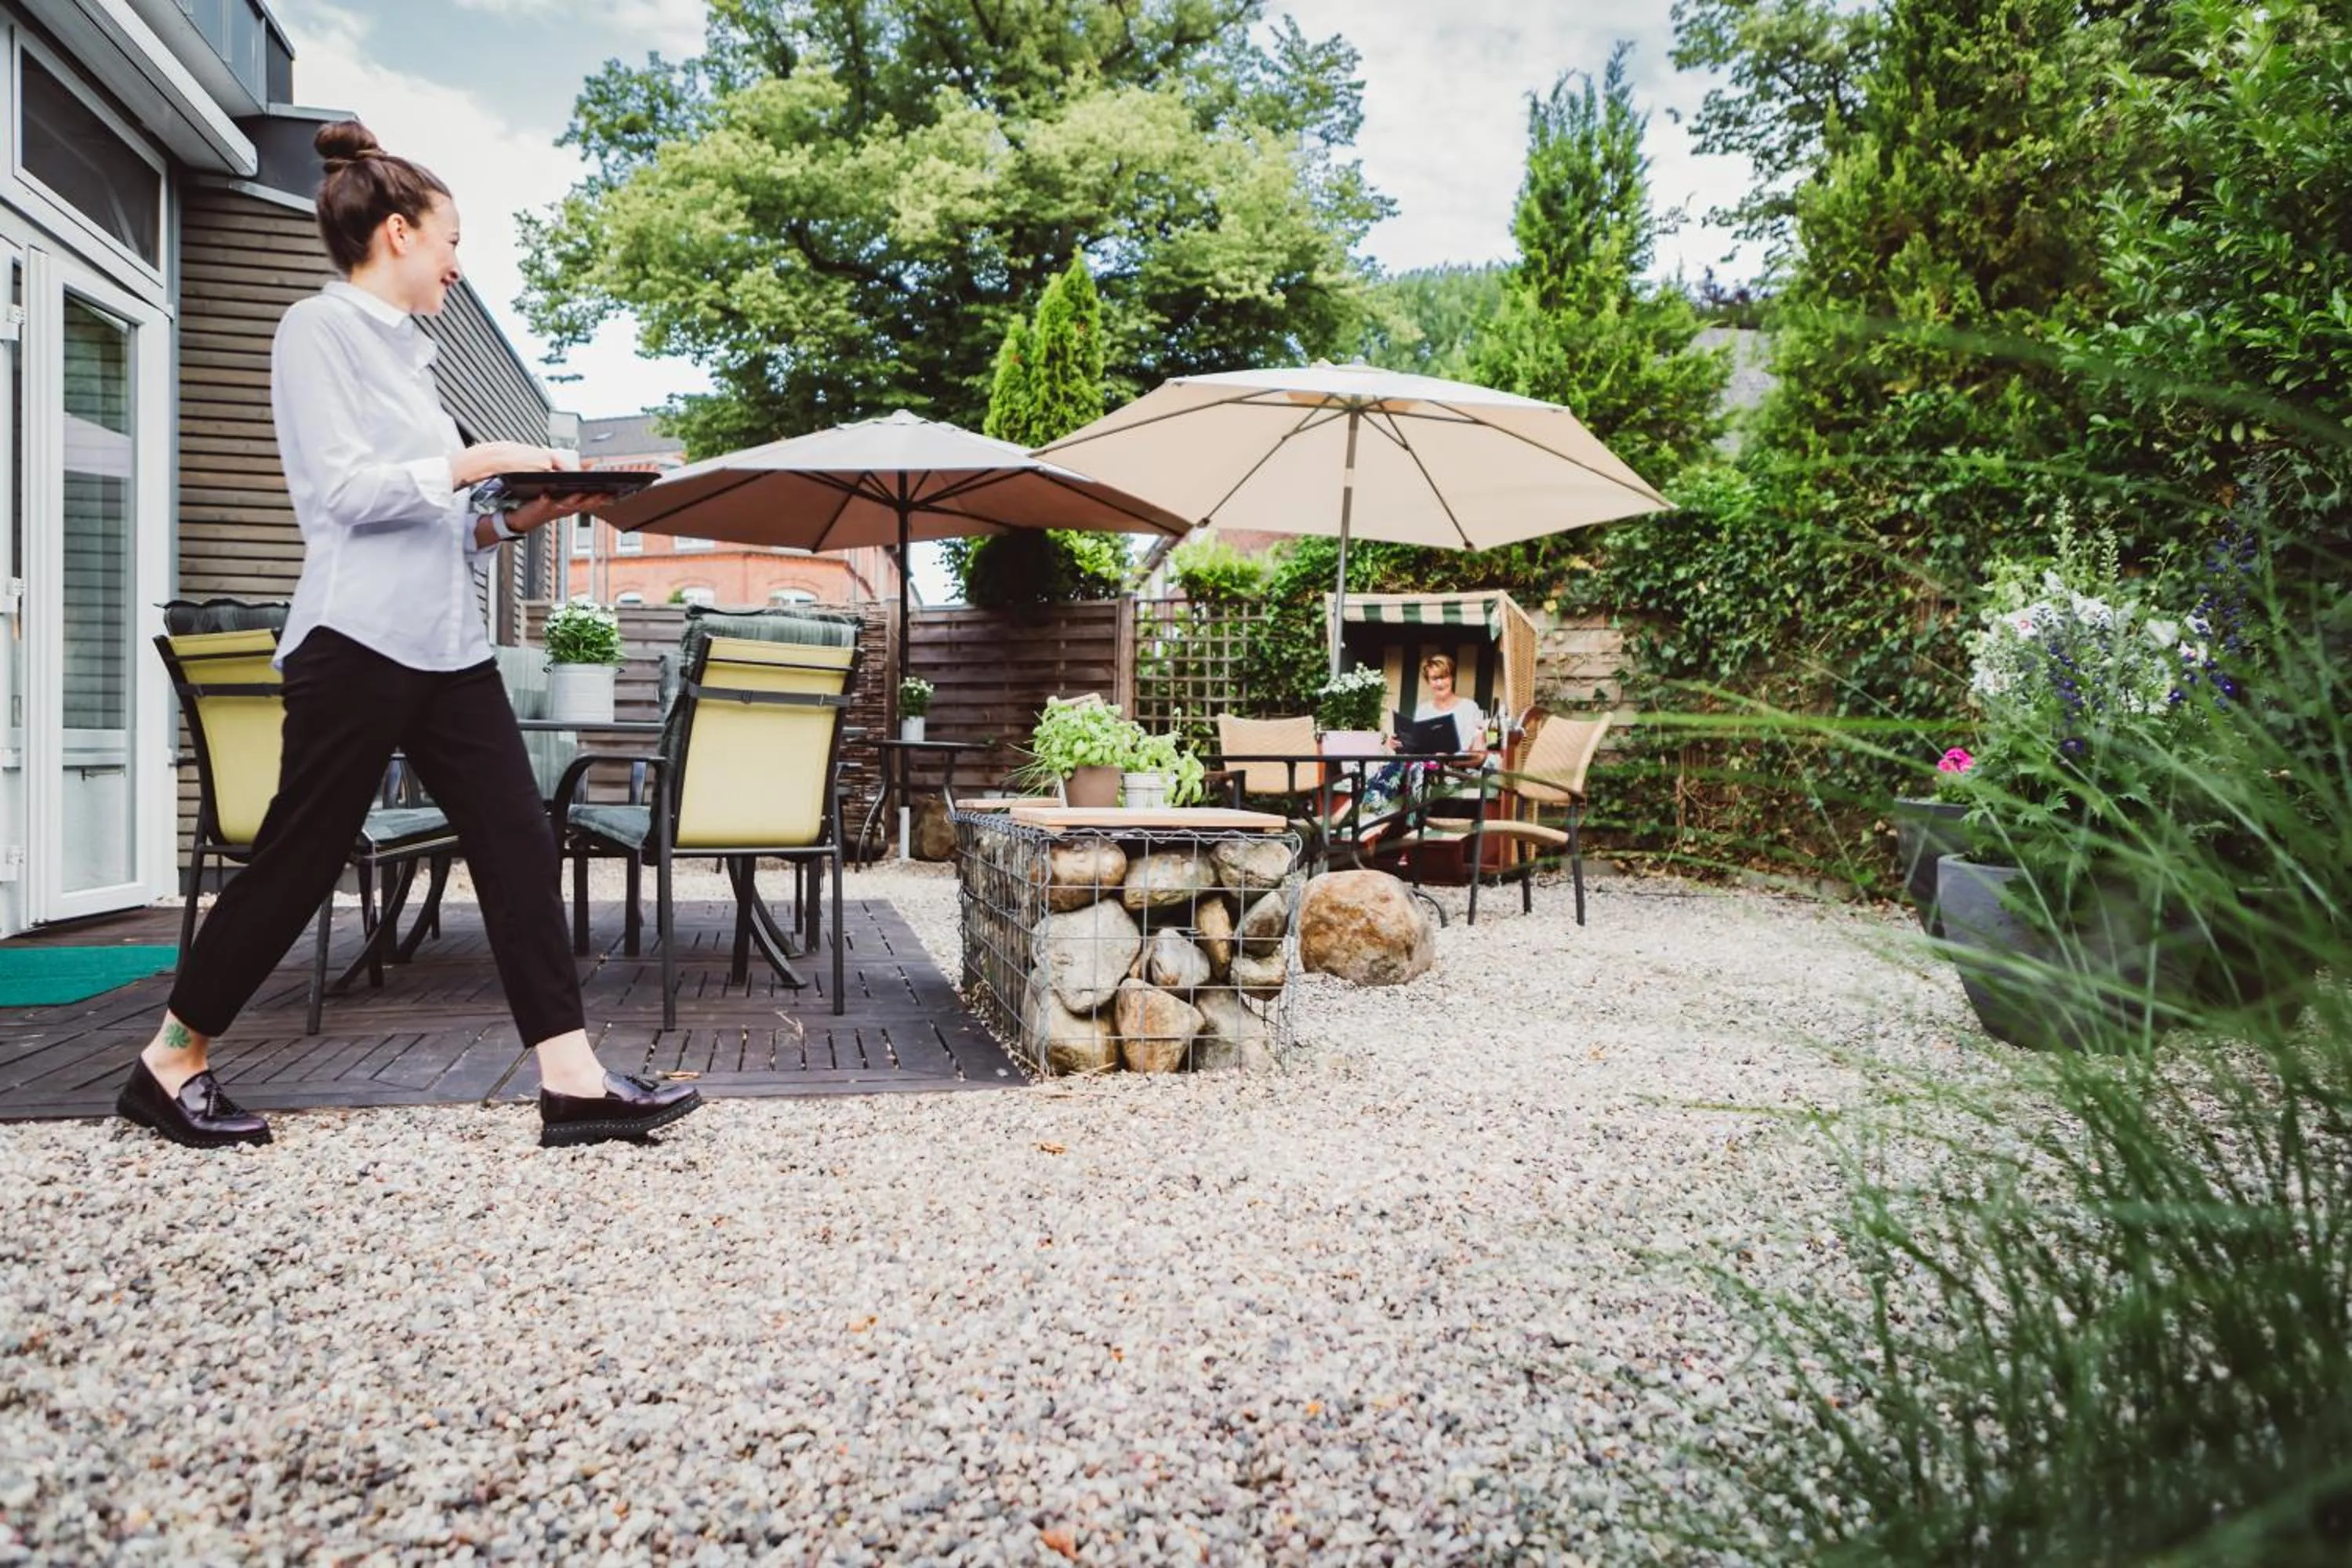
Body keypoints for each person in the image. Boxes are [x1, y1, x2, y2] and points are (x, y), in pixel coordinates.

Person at [115, 120, 701, 1151]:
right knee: (299, 860)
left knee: (520, 839)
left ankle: (569, 1079)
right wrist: (474, 465)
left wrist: (517, 516)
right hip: (356, 641)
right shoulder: (316, 333)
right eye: (450, 240)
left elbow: (437, 522)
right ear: (397, 233)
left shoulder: (411, 364)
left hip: (446, 648)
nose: (457, 262)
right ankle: (171, 1059)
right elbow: (338, 496)